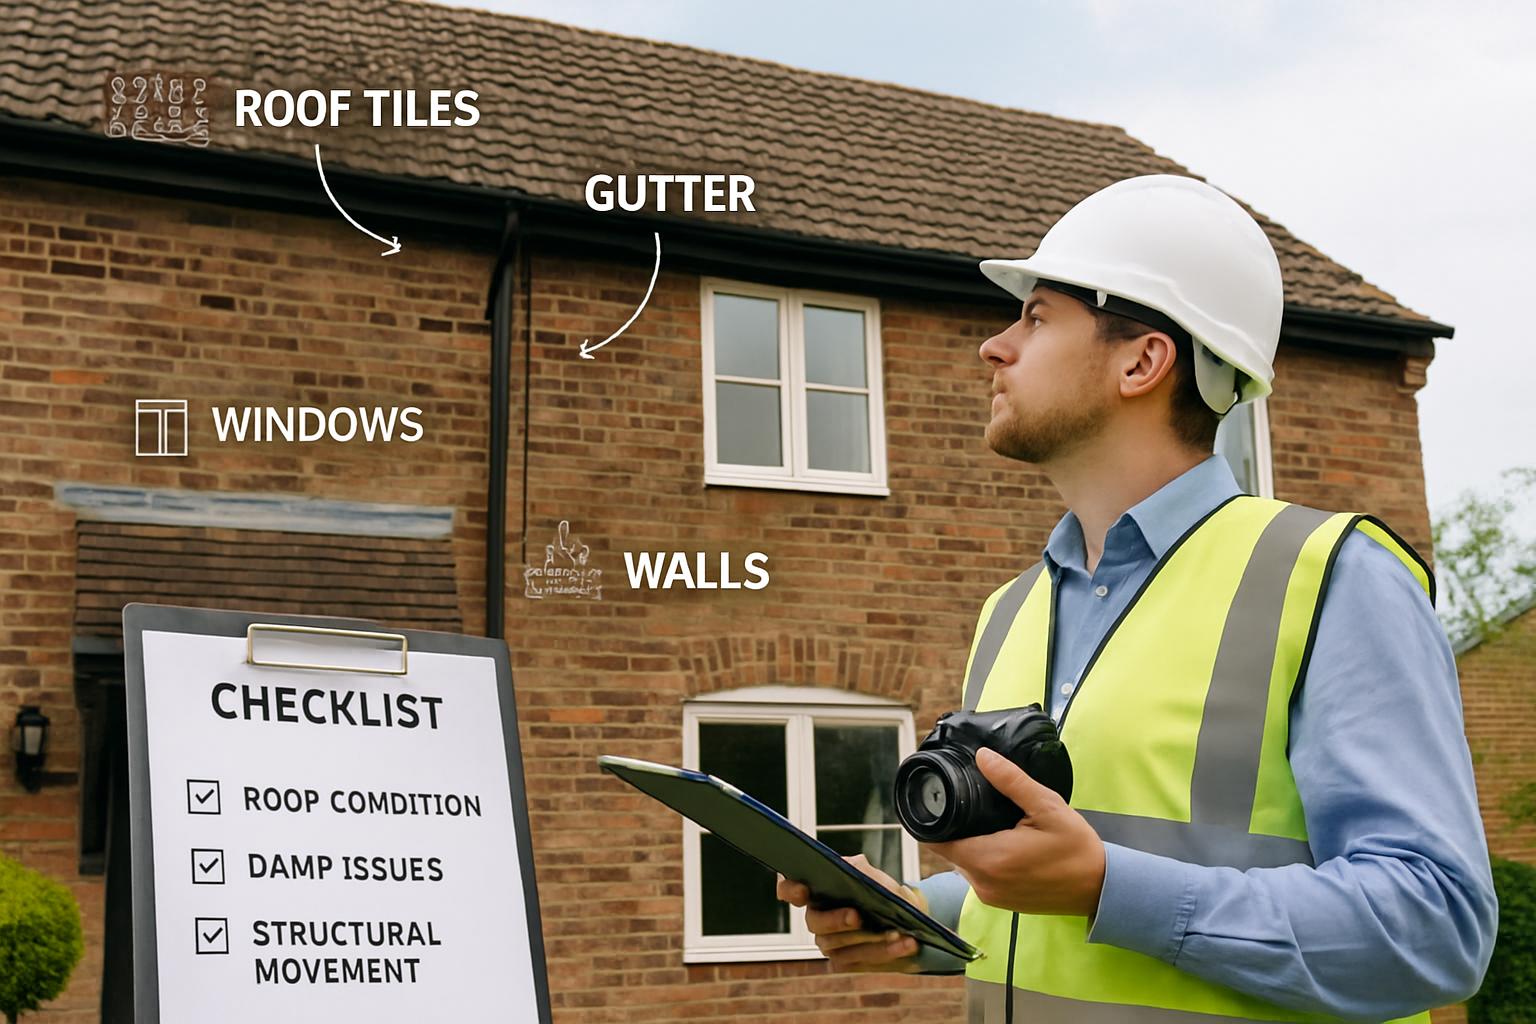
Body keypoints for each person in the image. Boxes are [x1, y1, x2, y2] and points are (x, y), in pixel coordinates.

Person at [778, 175, 1497, 1023]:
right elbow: (1061, 900)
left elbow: (1435, 928)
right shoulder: (1010, 611)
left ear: (1142, 360)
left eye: (1037, 317)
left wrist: (1106, 886)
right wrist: (916, 917)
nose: (994, 347)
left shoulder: (1332, 577)